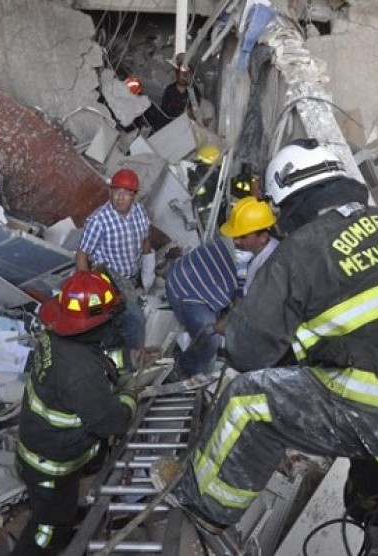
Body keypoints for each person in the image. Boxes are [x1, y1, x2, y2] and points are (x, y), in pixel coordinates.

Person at [152, 139, 378, 544]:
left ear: (288, 203)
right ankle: (367, 506)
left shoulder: (302, 246)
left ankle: (204, 504)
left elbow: (248, 352)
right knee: (355, 431)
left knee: (247, 400)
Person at [13, 270, 137, 554]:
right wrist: (131, 397)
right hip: (51, 463)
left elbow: (95, 363)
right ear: (93, 325)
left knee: (61, 507)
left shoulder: (57, 336)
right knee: (51, 525)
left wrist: (129, 359)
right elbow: (111, 421)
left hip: (37, 443)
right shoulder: (80, 371)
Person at [76, 168, 154, 370]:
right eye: (115, 191)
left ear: (134, 196)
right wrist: (86, 286)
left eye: (125, 193)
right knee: (135, 317)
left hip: (130, 274)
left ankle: (113, 356)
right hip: (108, 275)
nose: (119, 198)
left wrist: (148, 274)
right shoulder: (99, 220)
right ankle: (135, 363)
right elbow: (82, 254)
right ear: (110, 192)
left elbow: (146, 242)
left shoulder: (139, 213)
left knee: (115, 321)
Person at [164, 238, 237, 379]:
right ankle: (186, 370)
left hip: (188, 279)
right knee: (212, 339)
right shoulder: (250, 255)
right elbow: (242, 303)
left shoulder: (242, 238)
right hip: (185, 293)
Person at [219, 196, 279, 296]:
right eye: (235, 236)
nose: (236, 241)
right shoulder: (261, 251)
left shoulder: (269, 266)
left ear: (263, 237)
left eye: (243, 237)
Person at [159, 54, 202, 127]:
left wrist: (190, 87)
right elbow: (164, 112)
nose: (183, 76)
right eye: (181, 73)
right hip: (171, 125)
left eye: (186, 74)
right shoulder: (169, 90)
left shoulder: (194, 91)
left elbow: (195, 109)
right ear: (177, 74)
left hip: (188, 125)